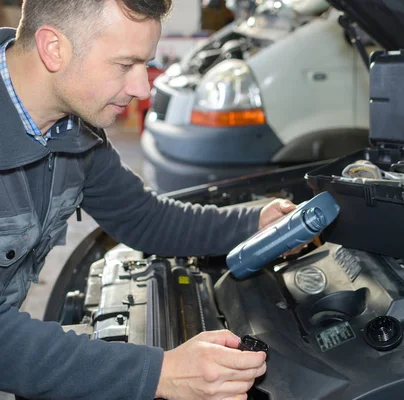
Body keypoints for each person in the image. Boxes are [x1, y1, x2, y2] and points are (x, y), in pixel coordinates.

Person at [0, 0, 299, 399]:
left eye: (145, 64)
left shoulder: (71, 131)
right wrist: (160, 372)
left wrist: (255, 224)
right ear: (53, 48)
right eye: (125, 65)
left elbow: (144, 218)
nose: (143, 88)